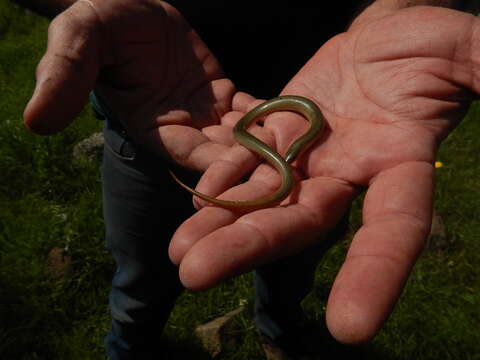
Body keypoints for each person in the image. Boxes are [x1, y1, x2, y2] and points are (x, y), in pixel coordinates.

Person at [17, 0, 476, 358]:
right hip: (154, 108)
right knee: (143, 269)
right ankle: (132, 346)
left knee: (292, 261)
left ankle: (280, 333)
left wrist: (404, 6)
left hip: (334, 86)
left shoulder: (301, 144)